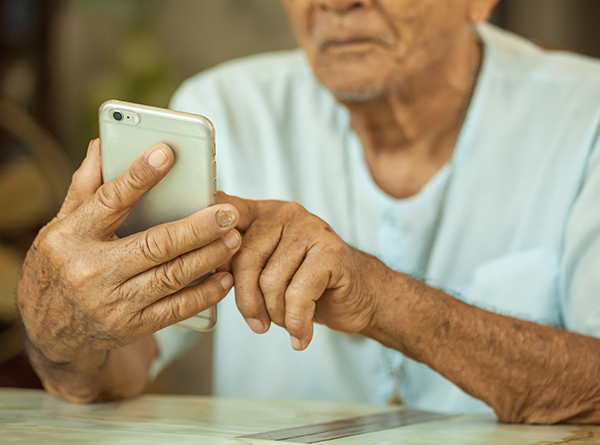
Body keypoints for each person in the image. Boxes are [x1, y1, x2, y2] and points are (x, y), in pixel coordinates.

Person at [17, 0, 600, 424]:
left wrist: (382, 297)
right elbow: (122, 367)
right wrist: (63, 336)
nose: (335, 4)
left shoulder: (585, 114)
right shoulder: (225, 109)